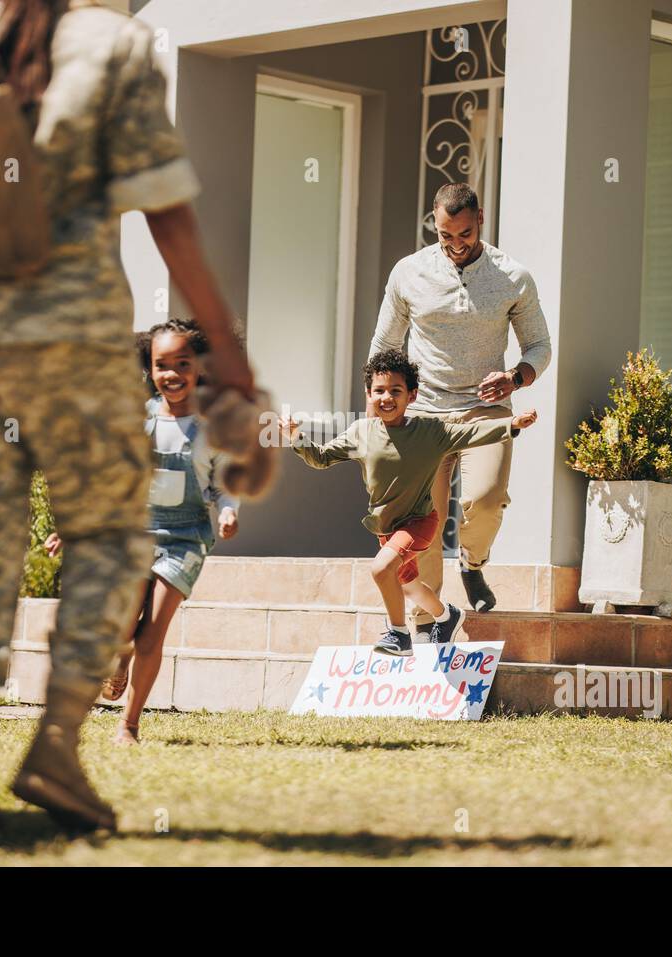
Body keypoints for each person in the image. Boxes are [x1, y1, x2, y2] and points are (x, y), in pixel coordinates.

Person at [0, 0, 255, 845]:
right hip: (78, 354)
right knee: (112, 543)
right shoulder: (113, 46)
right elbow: (168, 218)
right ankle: (56, 746)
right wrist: (233, 361)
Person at [45, 319, 239, 746]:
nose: (172, 374)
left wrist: (227, 512)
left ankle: (128, 725)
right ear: (149, 369)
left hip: (186, 539)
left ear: (201, 367)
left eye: (182, 364)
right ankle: (120, 653)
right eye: (161, 365)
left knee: (153, 632)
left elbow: (223, 486)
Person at [370, 182, 551, 624]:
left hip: (484, 412)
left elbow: (539, 346)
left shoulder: (513, 277)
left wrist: (513, 378)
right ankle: (430, 622)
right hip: (424, 414)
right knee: (423, 525)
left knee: (486, 499)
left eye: (464, 234)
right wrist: (379, 418)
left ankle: (473, 565)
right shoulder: (408, 273)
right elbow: (384, 345)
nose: (454, 245)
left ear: (481, 220)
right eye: (444, 235)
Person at [281, 350, 537, 656]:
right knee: (410, 586)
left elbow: (469, 432)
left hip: (419, 522)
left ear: (412, 395)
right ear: (368, 394)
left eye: (396, 391)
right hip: (386, 529)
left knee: (381, 569)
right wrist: (296, 436)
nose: (386, 398)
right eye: (379, 391)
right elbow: (321, 458)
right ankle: (447, 615)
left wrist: (512, 424)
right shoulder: (361, 432)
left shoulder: (429, 431)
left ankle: (399, 635)